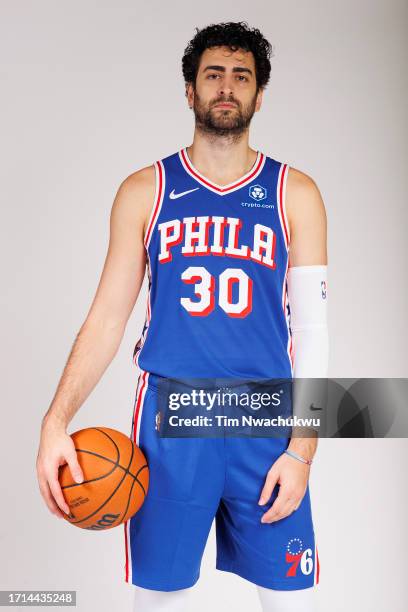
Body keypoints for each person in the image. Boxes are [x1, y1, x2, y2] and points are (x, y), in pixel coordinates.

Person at [36, 21, 328, 612]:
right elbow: (106, 319)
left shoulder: (295, 193)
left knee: (293, 602)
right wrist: (54, 421)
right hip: (172, 421)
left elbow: (312, 332)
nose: (226, 87)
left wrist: (303, 450)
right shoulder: (146, 190)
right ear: (190, 91)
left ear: (259, 94)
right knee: (159, 602)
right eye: (212, 75)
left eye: (240, 76)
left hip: (265, 424)